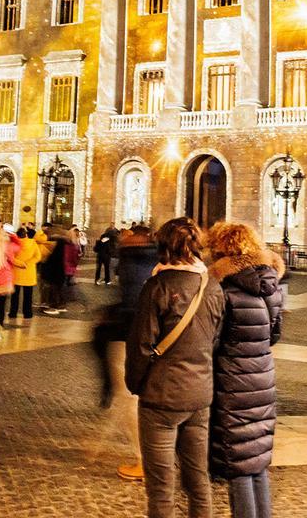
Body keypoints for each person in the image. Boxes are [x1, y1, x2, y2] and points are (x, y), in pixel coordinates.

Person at [125, 217, 225, 518]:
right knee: (198, 480)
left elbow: (141, 344)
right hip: (199, 394)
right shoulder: (213, 287)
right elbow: (215, 339)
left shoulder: (157, 287)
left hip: (161, 397)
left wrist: (136, 384)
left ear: (164, 246)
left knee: (161, 487)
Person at [206, 223, 283, 518]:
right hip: (262, 374)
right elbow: (274, 334)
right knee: (257, 459)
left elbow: (213, 339)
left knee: (237, 462)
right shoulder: (272, 285)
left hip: (232, 378)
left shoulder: (224, 288)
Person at [105, 223, 160, 481]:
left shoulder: (134, 260)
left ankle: (146, 460)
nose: (123, 238)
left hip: (133, 335)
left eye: (128, 236)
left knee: (130, 399)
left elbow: (135, 302)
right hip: (146, 335)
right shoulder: (156, 258)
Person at [8, 226, 40, 322]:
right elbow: (38, 256)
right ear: (26, 235)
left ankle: (13, 313)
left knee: (15, 296)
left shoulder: (14, 244)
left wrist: (20, 264)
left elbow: (11, 258)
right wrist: (27, 263)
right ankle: (28, 313)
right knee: (28, 295)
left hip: (16, 272)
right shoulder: (33, 243)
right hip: (29, 272)